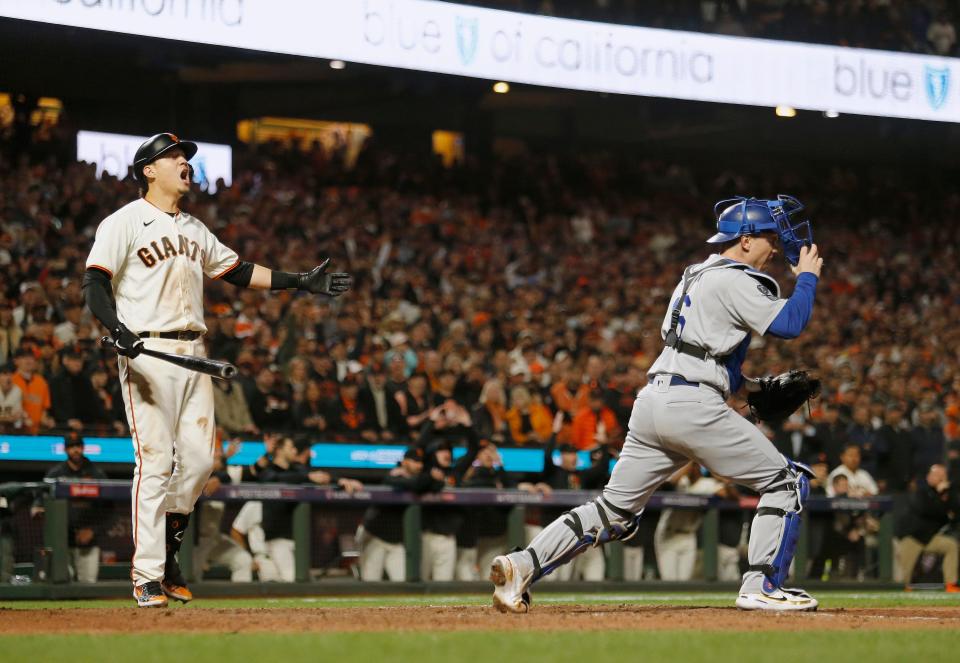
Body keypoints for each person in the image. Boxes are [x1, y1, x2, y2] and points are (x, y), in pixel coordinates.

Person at [490, 195, 823, 612]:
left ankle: (523, 564)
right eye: (769, 237)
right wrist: (807, 277)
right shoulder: (736, 278)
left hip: (654, 402)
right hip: (692, 404)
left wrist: (752, 389)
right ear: (744, 240)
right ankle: (762, 585)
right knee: (786, 482)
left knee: (613, 510)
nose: (775, 247)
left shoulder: (694, 275)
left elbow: (706, 354)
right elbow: (790, 324)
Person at [82, 133, 352, 608]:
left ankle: (167, 554)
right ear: (149, 170)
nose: (184, 162)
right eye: (174, 157)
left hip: (194, 354)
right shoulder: (124, 222)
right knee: (156, 463)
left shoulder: (192, 227)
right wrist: (117, 328)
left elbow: (239, 270)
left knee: (202, 462)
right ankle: (147, 574)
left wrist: (300, 282)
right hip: (146, 351)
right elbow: (94, 282)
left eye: (185, 156)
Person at [38, 433, 107, 583]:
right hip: (62, 540)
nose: (75, 450)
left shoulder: (96, 473)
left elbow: (109, 510)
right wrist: (37, 508)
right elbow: (40, 500)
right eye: (71, 447)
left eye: (78, 446)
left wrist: (93, 530)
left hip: (88, 540)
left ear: (83, 448)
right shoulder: (55, 473)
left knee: (88, 585)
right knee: (61, 584)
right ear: (65, 449)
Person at [896, 464, 960, 591]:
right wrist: (942, 500)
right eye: (937, 475)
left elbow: (956, 512)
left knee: (951, 546)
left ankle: (950, 584)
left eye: (943, 476)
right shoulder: (921, 492)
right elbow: (929, 510)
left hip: (931, 537)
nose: (941, 479)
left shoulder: (949, 494)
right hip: (913, 537)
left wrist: (945, 496)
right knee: (904, 579)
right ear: (929, 477)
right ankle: (905, 589)